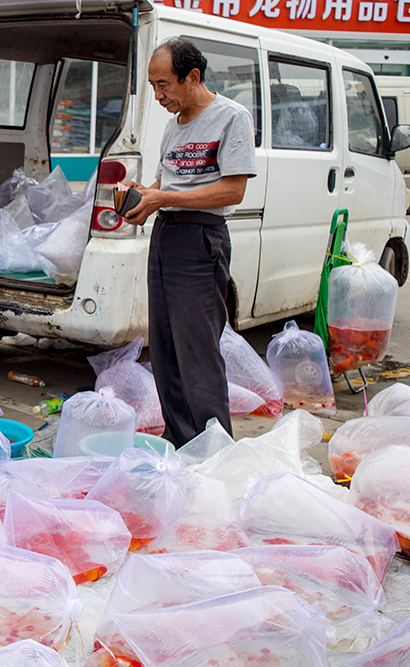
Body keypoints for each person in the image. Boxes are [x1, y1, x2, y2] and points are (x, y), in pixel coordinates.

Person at [123, 37, 257, 447]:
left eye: (164, 84)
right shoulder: (173, 125)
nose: (158, 94)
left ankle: (215, 449)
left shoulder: (231, 118)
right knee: (165, 350)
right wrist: (148, 197)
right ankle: (182, 444)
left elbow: (232, 191)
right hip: (167, 234)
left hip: (200, 238)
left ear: (193, 76)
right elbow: (170, 180)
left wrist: (166, 197)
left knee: (197, 353)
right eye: (153, 85)